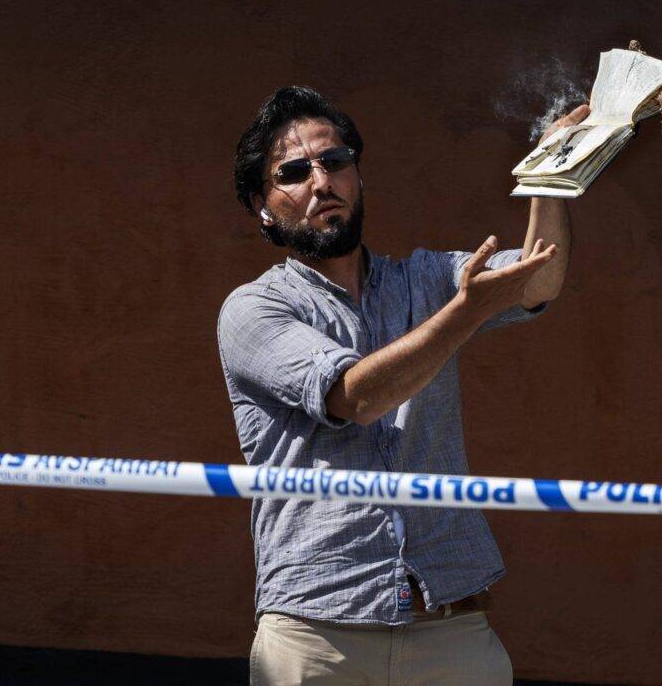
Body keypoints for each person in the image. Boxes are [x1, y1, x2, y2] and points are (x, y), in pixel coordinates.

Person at [217, 86, 586, 686]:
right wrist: (465, 313)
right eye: (293, 172)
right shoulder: (254, 309)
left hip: (453, 627)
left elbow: (538, 281)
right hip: (319, 634)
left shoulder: (426, 278)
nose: (321, 182)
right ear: (263, 205)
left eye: (335, 162)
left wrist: (550, 175)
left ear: (358, 176)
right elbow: (356, 397)